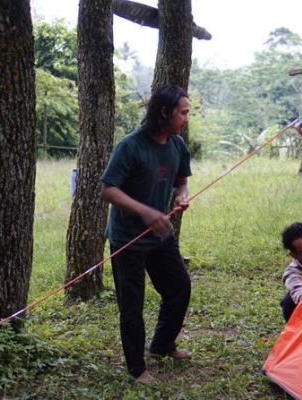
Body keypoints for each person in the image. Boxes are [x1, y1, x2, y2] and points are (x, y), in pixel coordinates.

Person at [101, 85, 193, 384]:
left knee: (179, 287)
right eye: (182, 112)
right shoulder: (130, 146)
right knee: (132, 305)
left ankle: (162, 345)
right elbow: (108, 189)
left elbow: (181, 181)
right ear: (164, 112)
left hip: (161, 234)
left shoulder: (177, 144)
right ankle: (137, 368)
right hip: (128, 238)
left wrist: (180, 196)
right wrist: (145, 211)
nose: (185, 118)